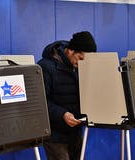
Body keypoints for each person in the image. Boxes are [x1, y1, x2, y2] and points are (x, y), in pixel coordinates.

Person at [38, 31, 97, 160]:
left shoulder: (80, 67)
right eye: (80, 58)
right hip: (55, 136)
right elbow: (40, 102)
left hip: (76, 132)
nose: (82, 63)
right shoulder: (45, 67)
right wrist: (62, 114)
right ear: (70, 51)